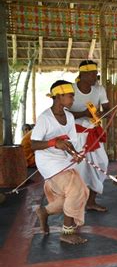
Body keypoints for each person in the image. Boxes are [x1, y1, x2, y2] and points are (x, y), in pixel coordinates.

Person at [32, 80, 89, 244]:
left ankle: (45, 212)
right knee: (76, 189)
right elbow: (33, 144)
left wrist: (75, 153)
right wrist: (53, 143)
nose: (72, 100)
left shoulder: (69, 116)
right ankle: (67, 232)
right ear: (58, 96)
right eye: (70, 96)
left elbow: (70, 141)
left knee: (75, 194)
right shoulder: (45, 118)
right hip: (47, 162)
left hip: (63, 160)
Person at [68, 60, 111, 212]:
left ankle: (91, 201)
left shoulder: (99, 89)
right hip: (75, 135)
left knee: (101, 164)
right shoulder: (70, 89)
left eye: (96, 73)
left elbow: (108, 109)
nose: (95, 76)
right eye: (92, 74)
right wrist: (83, 114)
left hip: (93, 133)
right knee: (78, 169)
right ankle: (76, 203)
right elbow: (61, 113)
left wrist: (101, 114)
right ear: (83, 74)